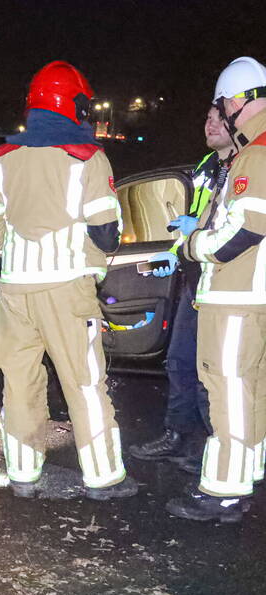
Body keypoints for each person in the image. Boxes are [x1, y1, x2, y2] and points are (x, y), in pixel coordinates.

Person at [0, 60, 137, 500]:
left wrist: (11, 248)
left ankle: (22, 474)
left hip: (14, 294)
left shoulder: (1, 159)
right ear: (75, 105)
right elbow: (105, 230)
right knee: (84, 384)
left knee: (20, 383)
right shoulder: (87, 159)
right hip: (67, 291)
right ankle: (103, 477)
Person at [167, 56, 266, 523]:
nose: (220, 111)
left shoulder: (257, 153)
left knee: (227, 389)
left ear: (238, 101)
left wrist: (192, 244)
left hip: (237, 297)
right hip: (252, 296)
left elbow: (243, 232)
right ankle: (247, 472)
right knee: (251, 391)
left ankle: (224, 491)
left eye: (223, 102)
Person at [129, 108, 235, 472]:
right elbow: (195, 219)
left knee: (213, 374)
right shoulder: (209, 164)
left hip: (227, 285)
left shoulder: (247, 164)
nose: (209, 123)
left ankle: (209, 445)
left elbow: (233, 229)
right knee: (179, 362)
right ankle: (177, 435)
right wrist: (174, 254)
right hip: (196, 280)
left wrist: (196, 235)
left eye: (219, 118)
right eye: (206, 116)